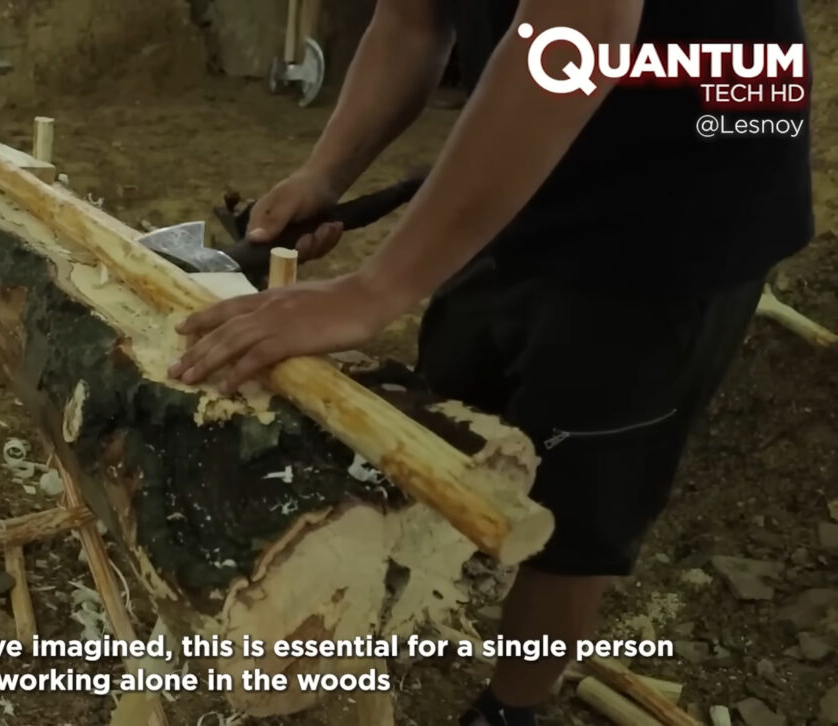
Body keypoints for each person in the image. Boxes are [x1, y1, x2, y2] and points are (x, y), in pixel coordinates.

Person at [167, 1, 813, 724]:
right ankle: (433, 602)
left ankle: (514, 707)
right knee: (455, 411)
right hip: (533, 156)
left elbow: (580, 32)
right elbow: (414, 20)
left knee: (576, 504)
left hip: (681, 190)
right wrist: (326, 171)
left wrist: (375, 289)